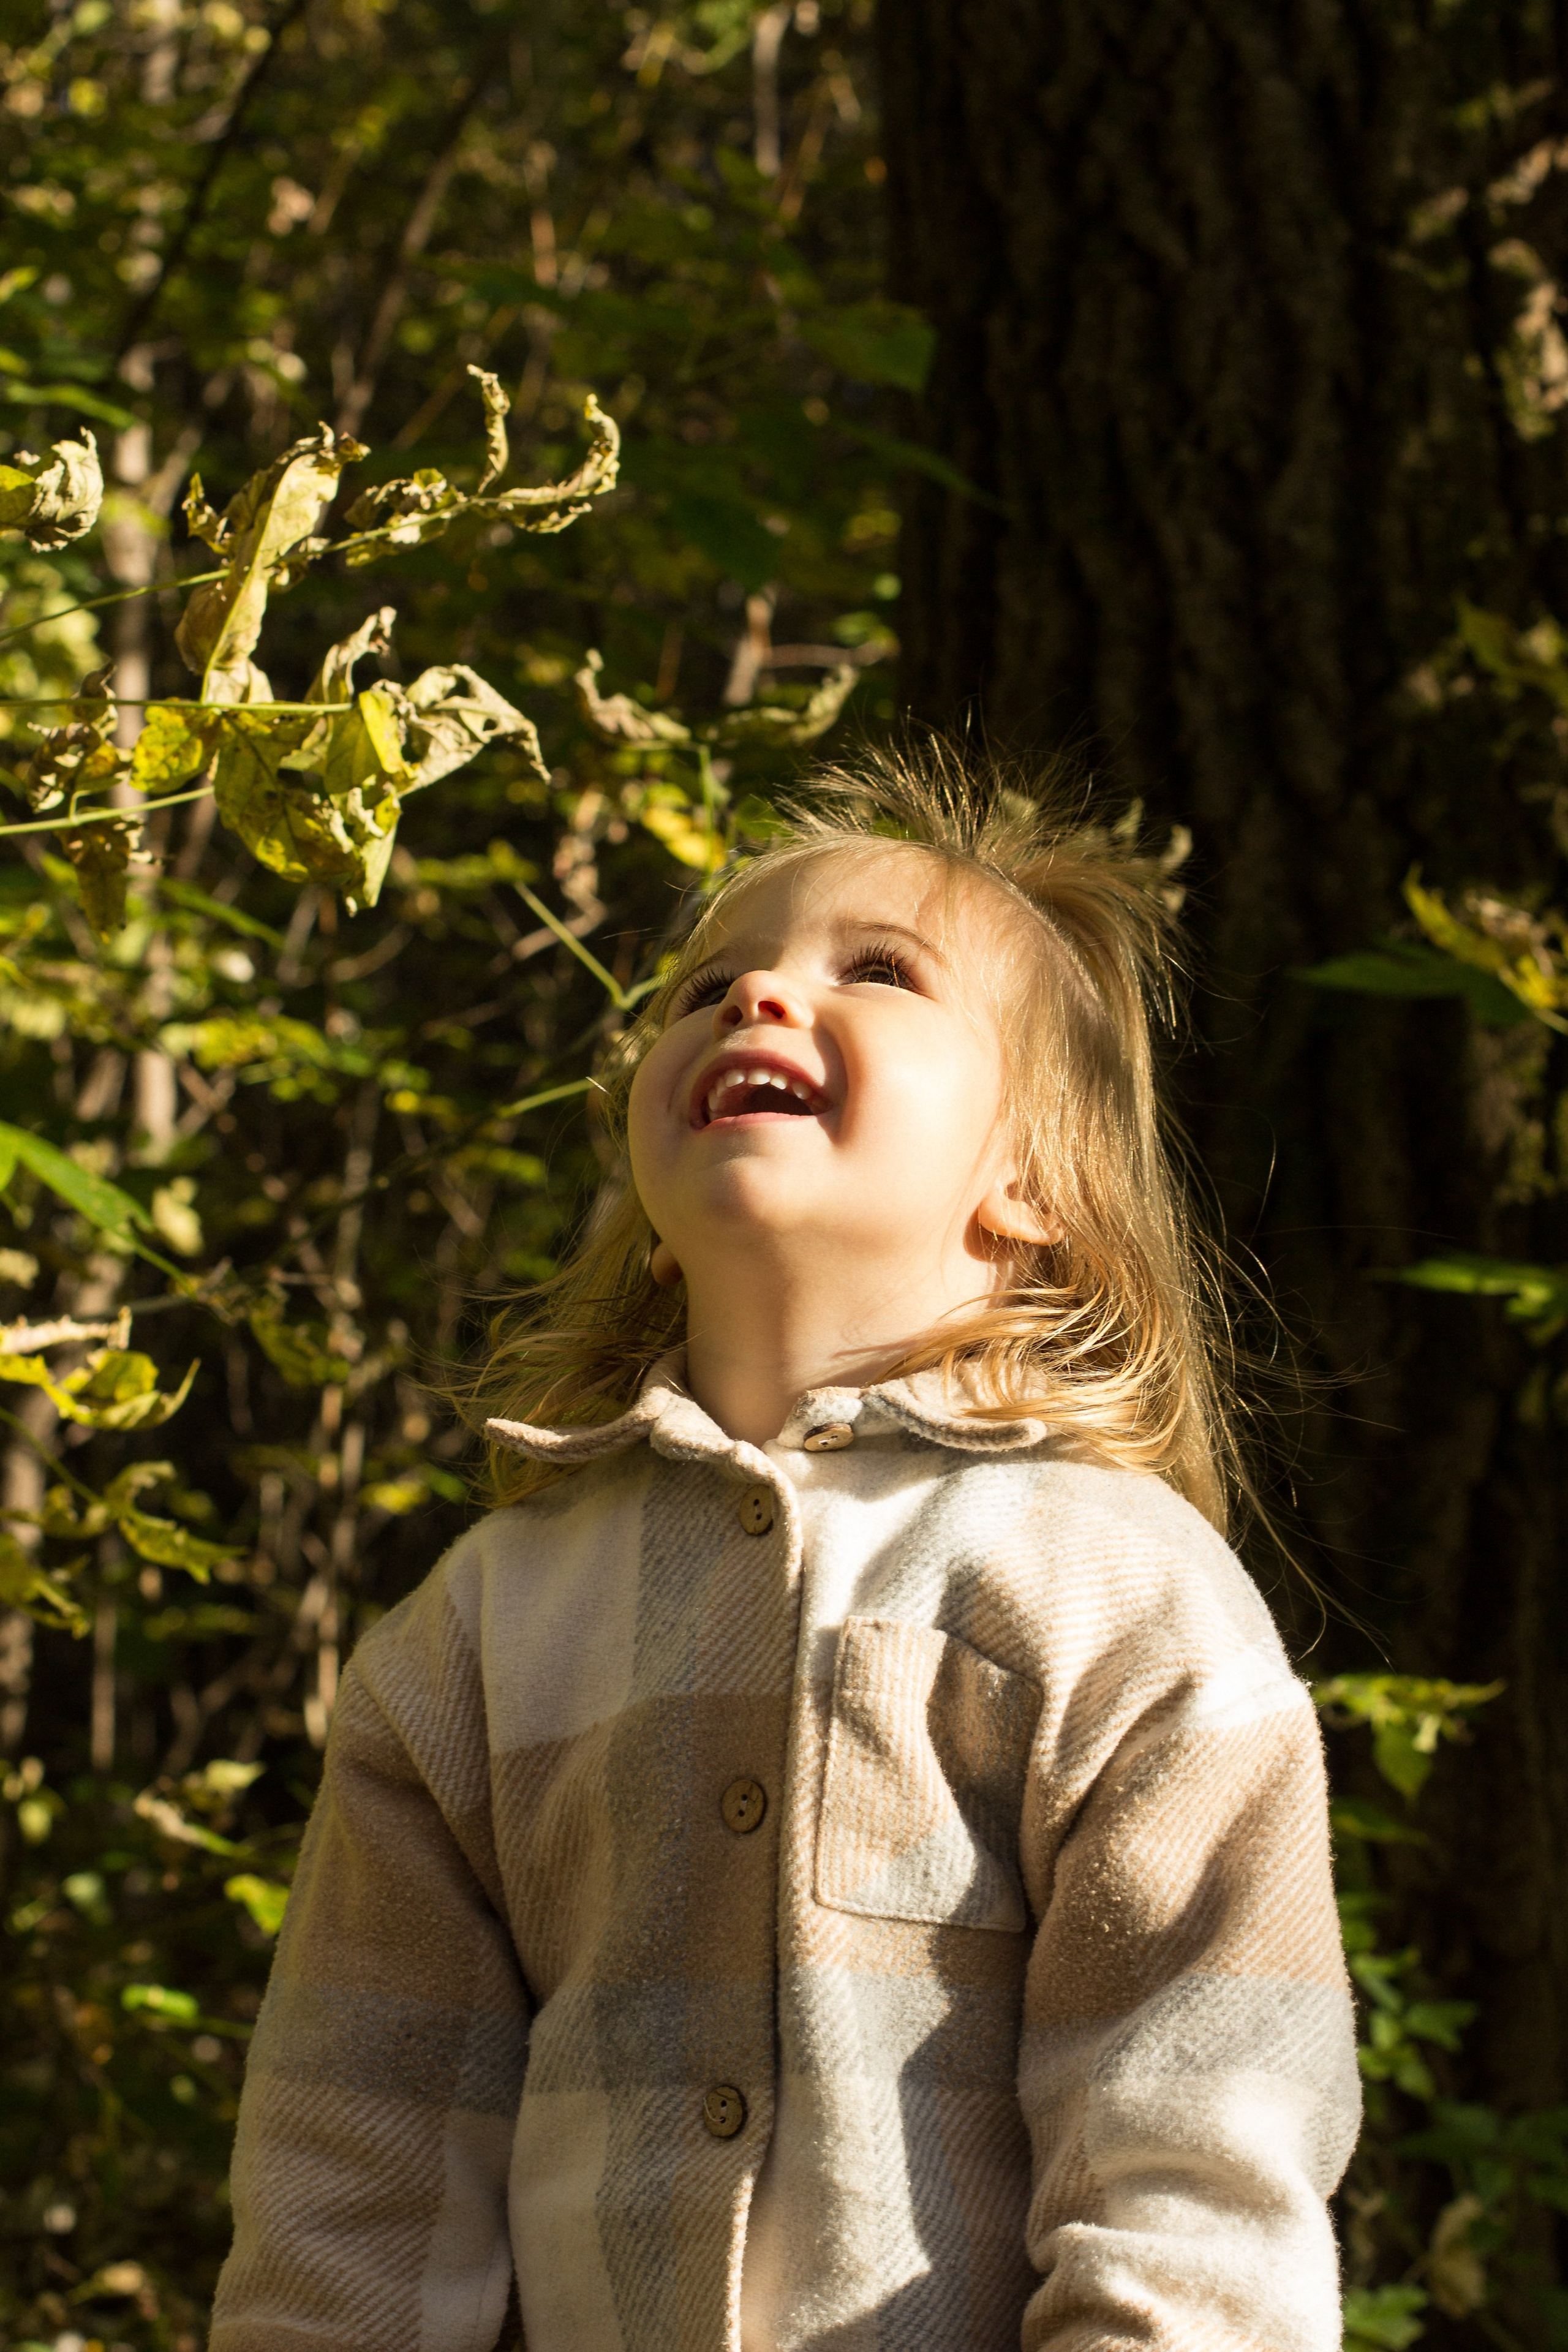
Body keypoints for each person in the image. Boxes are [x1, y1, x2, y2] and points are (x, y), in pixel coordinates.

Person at [209, 750, 1360, 2352]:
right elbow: (358, 2181)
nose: (754, 997)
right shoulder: (481, 1633)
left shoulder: (1119, 1594)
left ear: (1031, 1181)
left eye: (876, 971)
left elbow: (1194, 2161)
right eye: (707, 984)